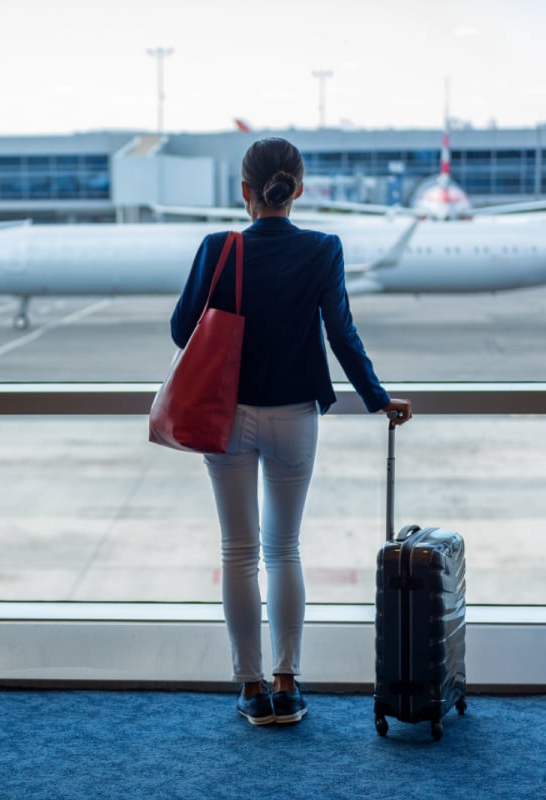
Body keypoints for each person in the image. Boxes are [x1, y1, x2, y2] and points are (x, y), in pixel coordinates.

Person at [170, 137, 412, 726]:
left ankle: (250, 689)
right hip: (294, 416)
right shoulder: (323, 249)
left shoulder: (216, 247)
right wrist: (378, 399)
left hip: (225, 415)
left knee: (238, 551)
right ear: (297, 189)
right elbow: (342, 337)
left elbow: (182, 331)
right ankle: (287, 682)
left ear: (245, 192)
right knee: (284, 549)